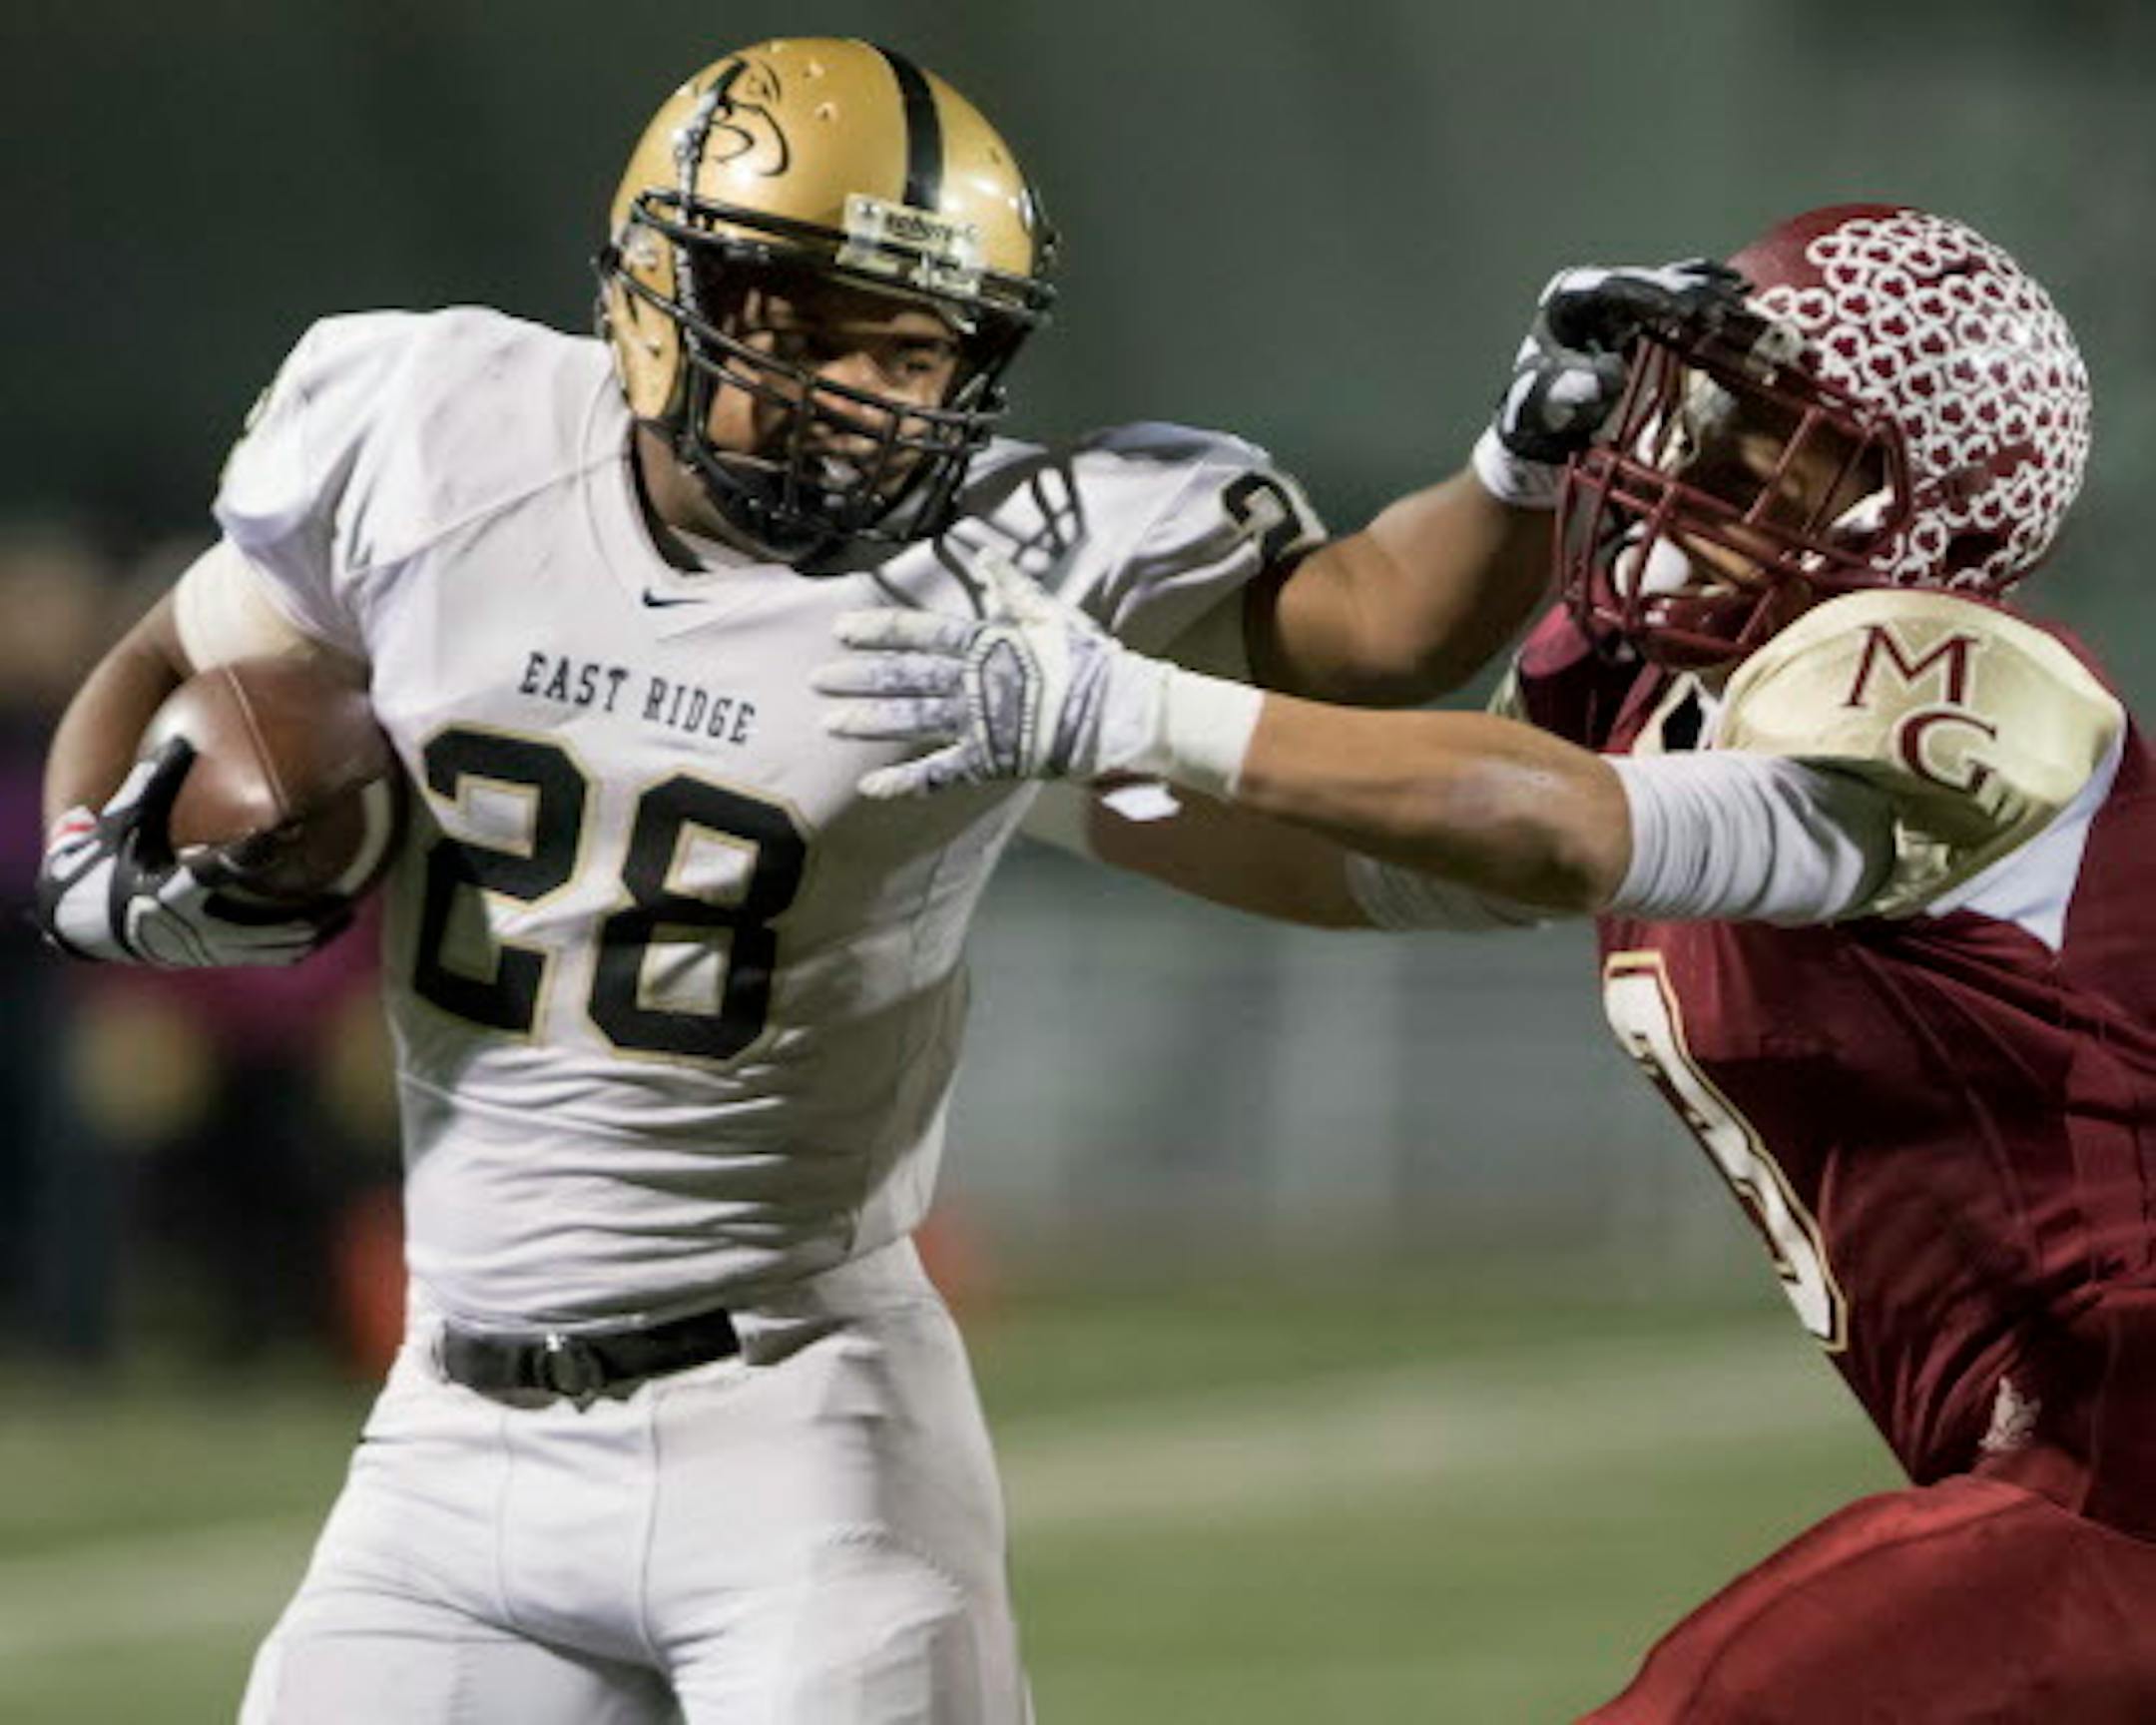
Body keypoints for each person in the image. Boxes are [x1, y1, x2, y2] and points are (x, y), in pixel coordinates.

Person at [29, 35, 1604, 1724]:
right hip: (447, 1429)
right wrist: (91, 878)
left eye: (923, 346)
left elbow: (1370, 632)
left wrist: (1526, 459)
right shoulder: (433, 428)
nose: (873, 390)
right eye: (812, 324)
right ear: (661, 293)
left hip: (798, 1439)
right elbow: (176, 658)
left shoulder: (1016, 553)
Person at [817, 203, 2156, 1720]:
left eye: (1786, 440)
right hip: (2067, 1465)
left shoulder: (1975, 688)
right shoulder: (1651, 693)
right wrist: (1008, 787)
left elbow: (1564, 832)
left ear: (1937, 513)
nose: (1703, 465)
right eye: (1717, 409)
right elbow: (1385, 860)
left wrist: (1131, 706)